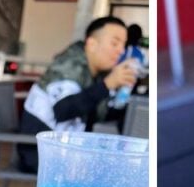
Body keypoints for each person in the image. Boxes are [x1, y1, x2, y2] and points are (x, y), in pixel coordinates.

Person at [17, 16, 137, 173]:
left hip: (66, 149)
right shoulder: (68, 66)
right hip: (39, 151)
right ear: (92, 44)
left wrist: (126, 96)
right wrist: (108, 85)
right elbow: (63, 111)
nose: (121, 50)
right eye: (115, 43)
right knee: (112, 173)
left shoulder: (96, 74)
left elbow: (99, 115)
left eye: (123, 45)